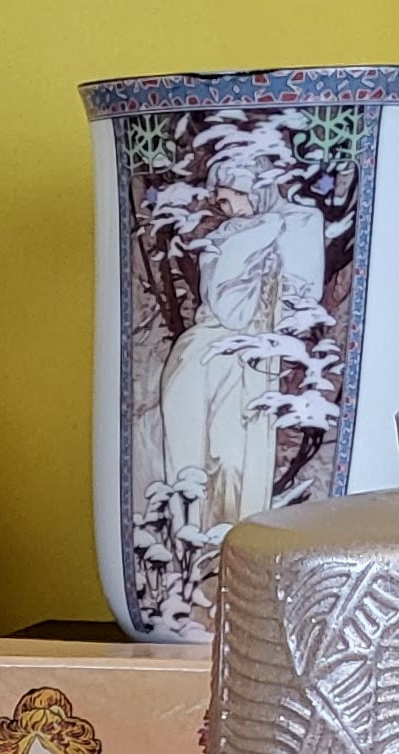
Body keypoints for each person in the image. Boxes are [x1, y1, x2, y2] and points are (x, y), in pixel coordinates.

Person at [157, 146, 325, 542]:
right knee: (186, 432)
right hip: (202, 348)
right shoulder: (227, 234)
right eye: (221, 202)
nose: (228, 210)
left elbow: (295, 295)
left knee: (231, 453)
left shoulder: (299, 222)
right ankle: (188, 532)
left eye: (232, 197)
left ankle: (231, 537)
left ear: (254, 185)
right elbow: (219, 297)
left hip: (247, 352)